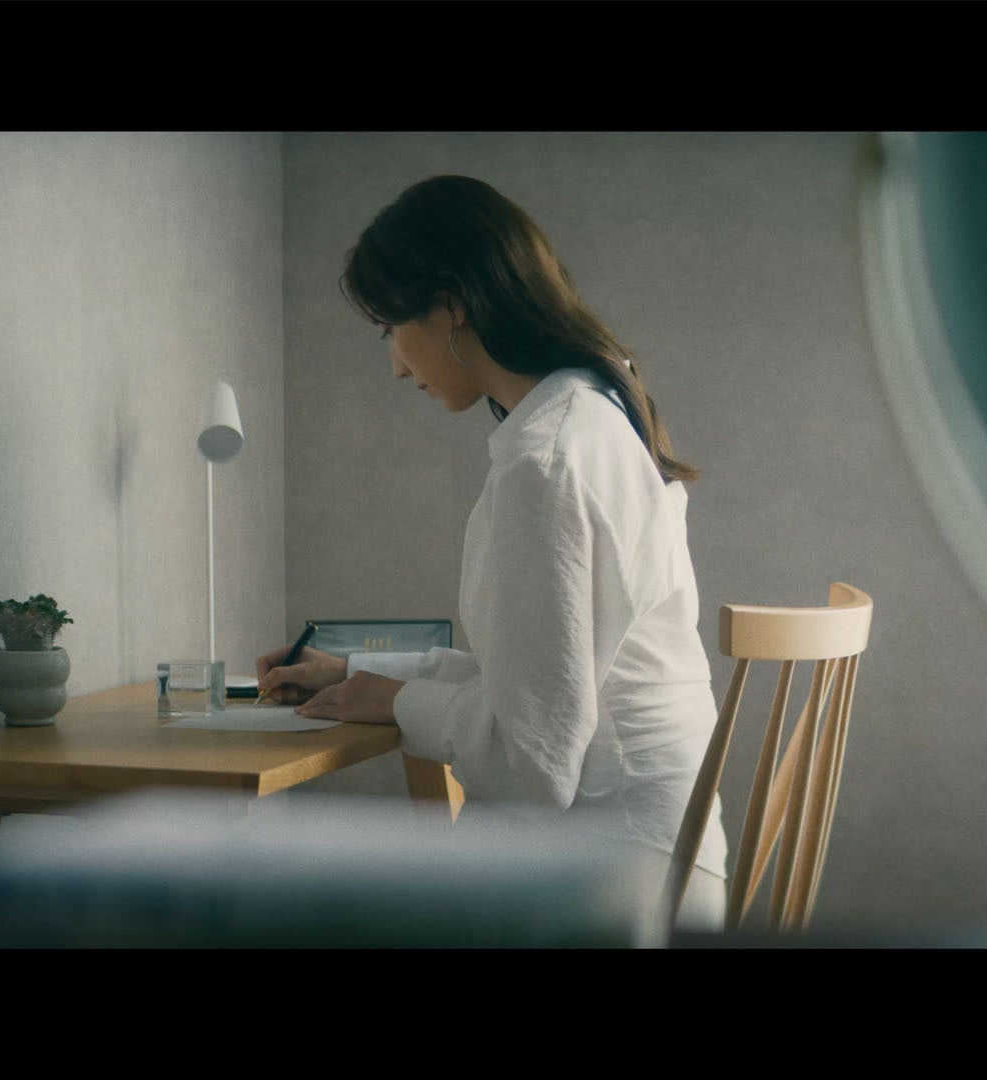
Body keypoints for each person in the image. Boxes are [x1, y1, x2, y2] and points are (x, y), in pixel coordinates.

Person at [255, 175, 729, 930]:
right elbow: (542, 683)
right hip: (664, 853)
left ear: (451, 306)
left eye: (390, 327)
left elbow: (533, 765)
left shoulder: (545, 464)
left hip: (607, 879)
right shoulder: (593, 413)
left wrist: (396, 703)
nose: (395, 364)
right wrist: (358, 676)